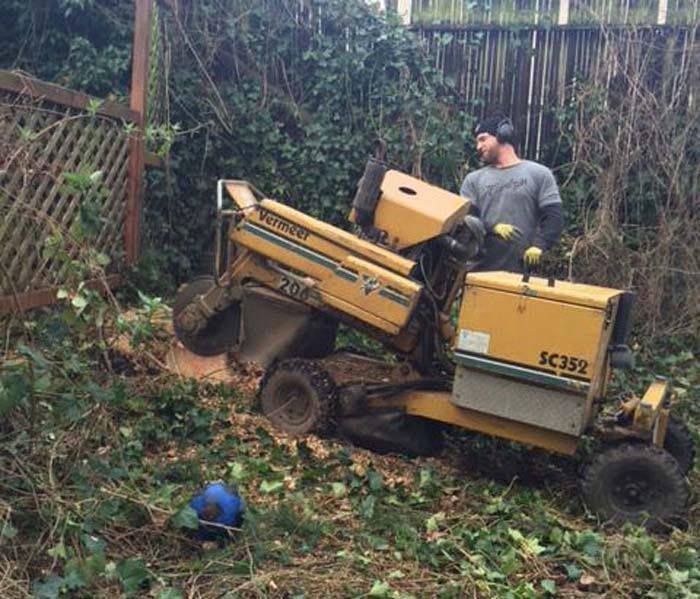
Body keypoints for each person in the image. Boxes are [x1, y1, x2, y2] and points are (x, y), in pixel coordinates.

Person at [460, 115, 564, 273]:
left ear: (503, 134)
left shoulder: (539, 174)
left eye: (483, 139)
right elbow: (465, 221)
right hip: (479, 273)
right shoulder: (473, 180)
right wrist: (492, 228)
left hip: (521, 274)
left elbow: (554, 216)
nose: (478, 147)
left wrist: (539, 246)